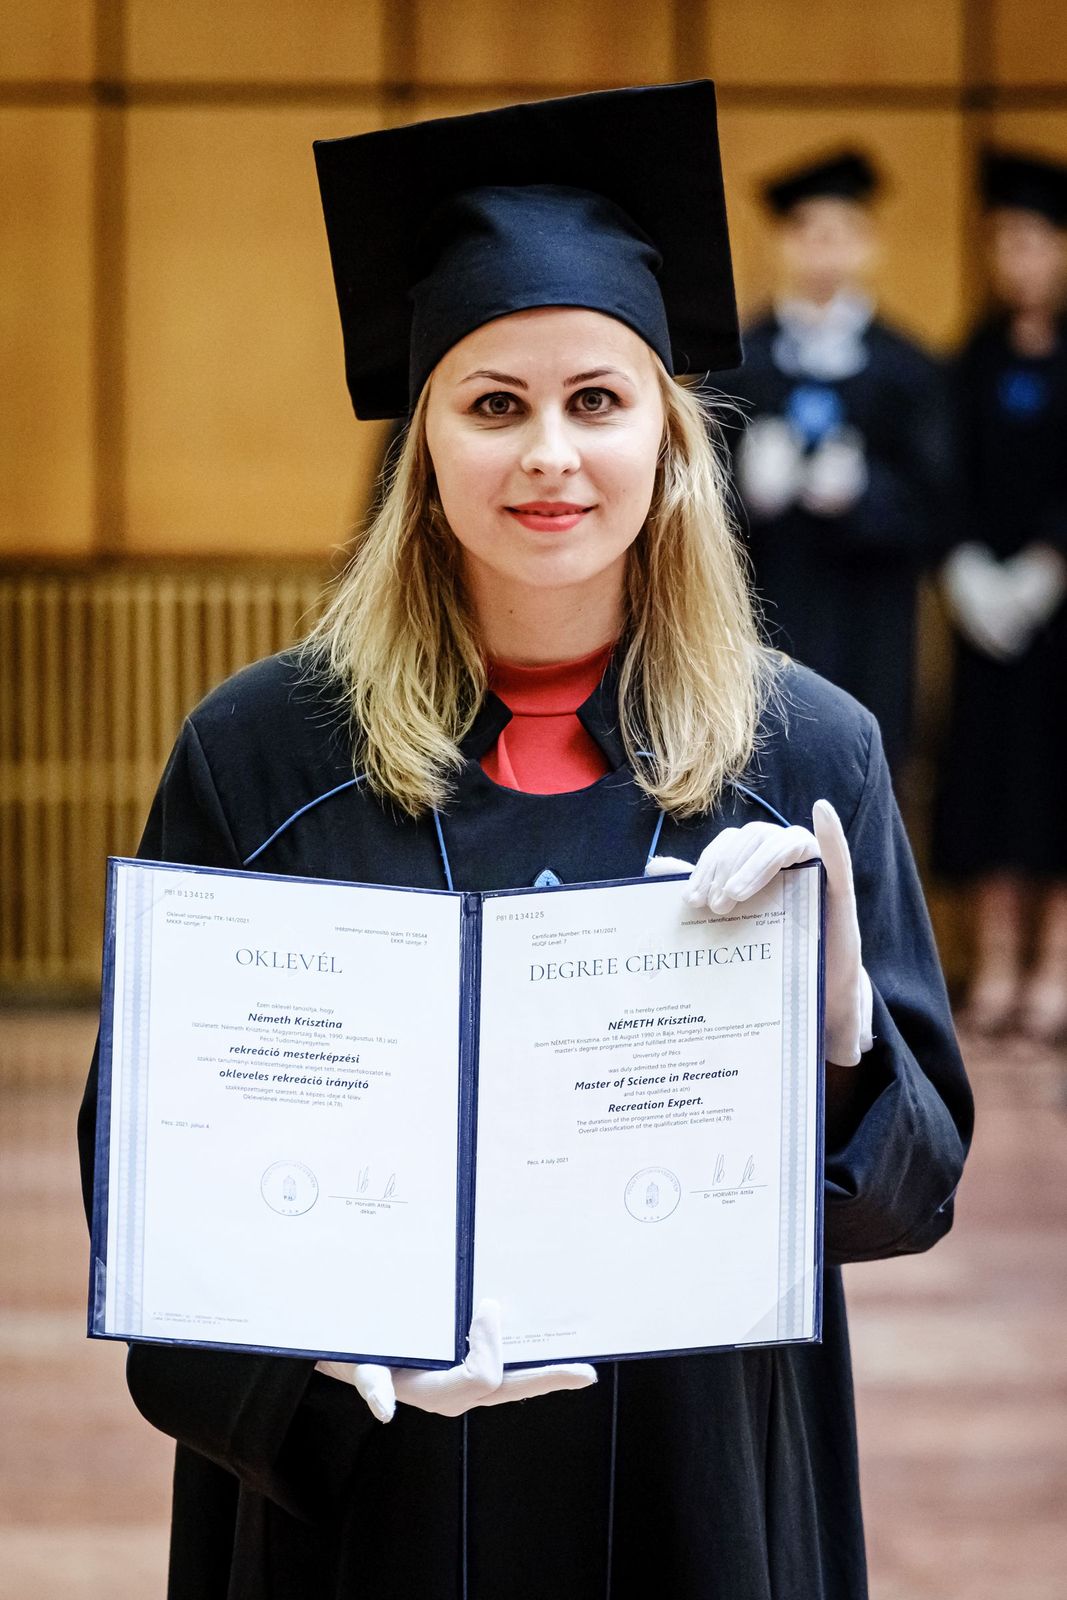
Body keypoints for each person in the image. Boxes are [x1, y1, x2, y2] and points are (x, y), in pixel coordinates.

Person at [77, 82, 972, 1600]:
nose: (548, 453)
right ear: (418, 444)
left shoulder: (802, 753)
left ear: (668, 437)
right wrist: (320, 1367)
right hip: (367, 1503)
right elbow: (146, 1181)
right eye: (492, 404)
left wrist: (840, 1049)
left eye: (596, 401)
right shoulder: (261, 753)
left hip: (692, 1477)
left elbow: (909, 1189)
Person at [722, 150, 948, 777]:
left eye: (840, 232)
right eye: (807, 231)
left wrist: (866, 495)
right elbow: (690, 502)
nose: (823, 249)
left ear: (868, 244)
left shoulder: (908, 370)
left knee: (863, 771)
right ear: (782, 243)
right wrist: (744, 492)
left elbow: (938, 507)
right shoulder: (738, 366)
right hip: (765, 613)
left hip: (869, 621)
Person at [934, 148, 1067, 1039]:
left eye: (1030, 242)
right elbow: (944, 472)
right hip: (985, 616)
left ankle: (1053, 967)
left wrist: (1052, 560)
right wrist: (961, 563)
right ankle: (993, 962)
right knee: (988, 781)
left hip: (1060, 613)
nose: (1014, 260)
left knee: (1057, 783)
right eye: (1001, 243)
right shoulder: (970, 358)